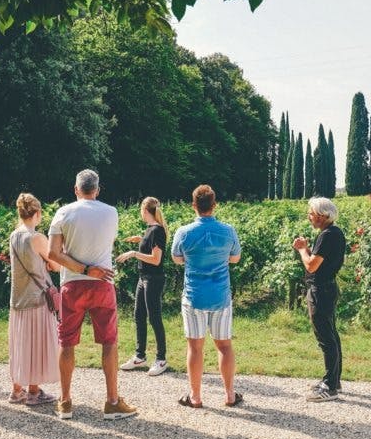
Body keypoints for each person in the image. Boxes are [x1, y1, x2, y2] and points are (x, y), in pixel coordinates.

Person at [47, 169, 137, 420]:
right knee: (109, 341)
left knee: (66, 342)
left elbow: (53, 253)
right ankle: (112, 401)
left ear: (76, 189)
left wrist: (83, 269)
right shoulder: (111, 212)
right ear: (97, 189)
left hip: (72, 284)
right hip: (102, 283)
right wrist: (93, 270)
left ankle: (65, 402)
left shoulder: (63, 212)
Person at [171, 184, 242, 408]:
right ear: (214, 205)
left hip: (194, 296)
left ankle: (195, 396)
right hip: (220, 296)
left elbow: (177, 259)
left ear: (193, 205)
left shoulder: (184, 232)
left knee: (195, 347)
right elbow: (235, 258)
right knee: (224, 346)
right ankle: (230, 395)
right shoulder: (228, 231)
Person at [7, 193, 60, 406]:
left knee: (20, 344)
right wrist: (49, 264)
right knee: (35, 345)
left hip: (18, 298)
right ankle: (34, 392)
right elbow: (56, 265)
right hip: (37, 298)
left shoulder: (14, 236)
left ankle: (16, 390)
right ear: (37, 213)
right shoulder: (37, 237)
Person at [292, 197, 346, 402]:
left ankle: (329, 387)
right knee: (331, 334)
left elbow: (311, 265)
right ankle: (334, 380)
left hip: (320, 290)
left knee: (325, 337)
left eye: (311, 213)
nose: (309, 216)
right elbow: (319, 262)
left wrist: (301, 249)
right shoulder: (335, 233)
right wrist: (307, 249)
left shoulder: (326, 236)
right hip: (328, 288)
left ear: (323, 216)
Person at [117, 197, 169, 376]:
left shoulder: (158, 230)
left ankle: (161, 359)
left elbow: (156, 260)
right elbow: (151, 245)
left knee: (154, 318)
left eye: (141, 210)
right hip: (144, 278)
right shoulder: (150, 229)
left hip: (153, 279)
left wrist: (134, 253)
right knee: (139, 315)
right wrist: (140, 239)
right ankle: (140, 357)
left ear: (145, 211)